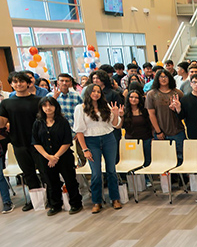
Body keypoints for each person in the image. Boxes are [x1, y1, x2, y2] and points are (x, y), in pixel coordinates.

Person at [0, 71, 43, 211]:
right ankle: (35, 200)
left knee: (44, 171)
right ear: (11, 84)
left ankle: (52, 198)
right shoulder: (7, 103)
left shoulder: (38, 100)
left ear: (28, 83)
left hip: (39, 143)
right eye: (15, 82)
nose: (18, 84)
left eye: (21, 81)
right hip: (19, 142)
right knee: (28, 173)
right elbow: (0, 124)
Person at [74, 84, 123, 213]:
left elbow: (115, 125)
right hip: (91, 141)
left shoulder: (105, 107)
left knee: (111, 170)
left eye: (98, 91)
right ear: (88, 93)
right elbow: (79, 131)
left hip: (108, 139)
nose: (96, 93)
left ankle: (115, 198)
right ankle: (97, 201)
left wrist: (116, 114)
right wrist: (85, 149)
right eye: (93, 91)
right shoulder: (81, 108)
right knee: (96, 174)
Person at [33, 97, 84, 215]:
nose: (48, 108)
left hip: (63, 156)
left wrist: (55, 156)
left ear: (56, 107)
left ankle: (76, 203)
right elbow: (35, 142)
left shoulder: (63, 121)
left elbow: (67, 141)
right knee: (51, 182)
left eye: (50, 105)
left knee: (70, 180)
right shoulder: (38, 123)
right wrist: (48, 157)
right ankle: (55, 205)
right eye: (44, 105)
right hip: (45, 158)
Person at [145, 69, 186, 165]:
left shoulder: (178, 93)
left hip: (177, 131)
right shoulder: (151, 94)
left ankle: (181, 179)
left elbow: (183, 113)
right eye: (161, 77)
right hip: (160, 132)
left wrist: (177, 108)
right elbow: (151, 114)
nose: (163, 79)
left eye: (166, 76)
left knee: (180, 158)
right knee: (163, 160)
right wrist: (158, 131)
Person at [121, 88, 153, 175]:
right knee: (133, 160)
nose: (133, 99)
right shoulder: (124, 111)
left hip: (145, 138)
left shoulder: (145, 110)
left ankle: (147, 179)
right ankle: (135, 179)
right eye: (131, 97)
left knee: (147, 160)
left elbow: (150, 124)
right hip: (131, 140)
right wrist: (120, 116)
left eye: (136, 97)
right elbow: (119, 126)